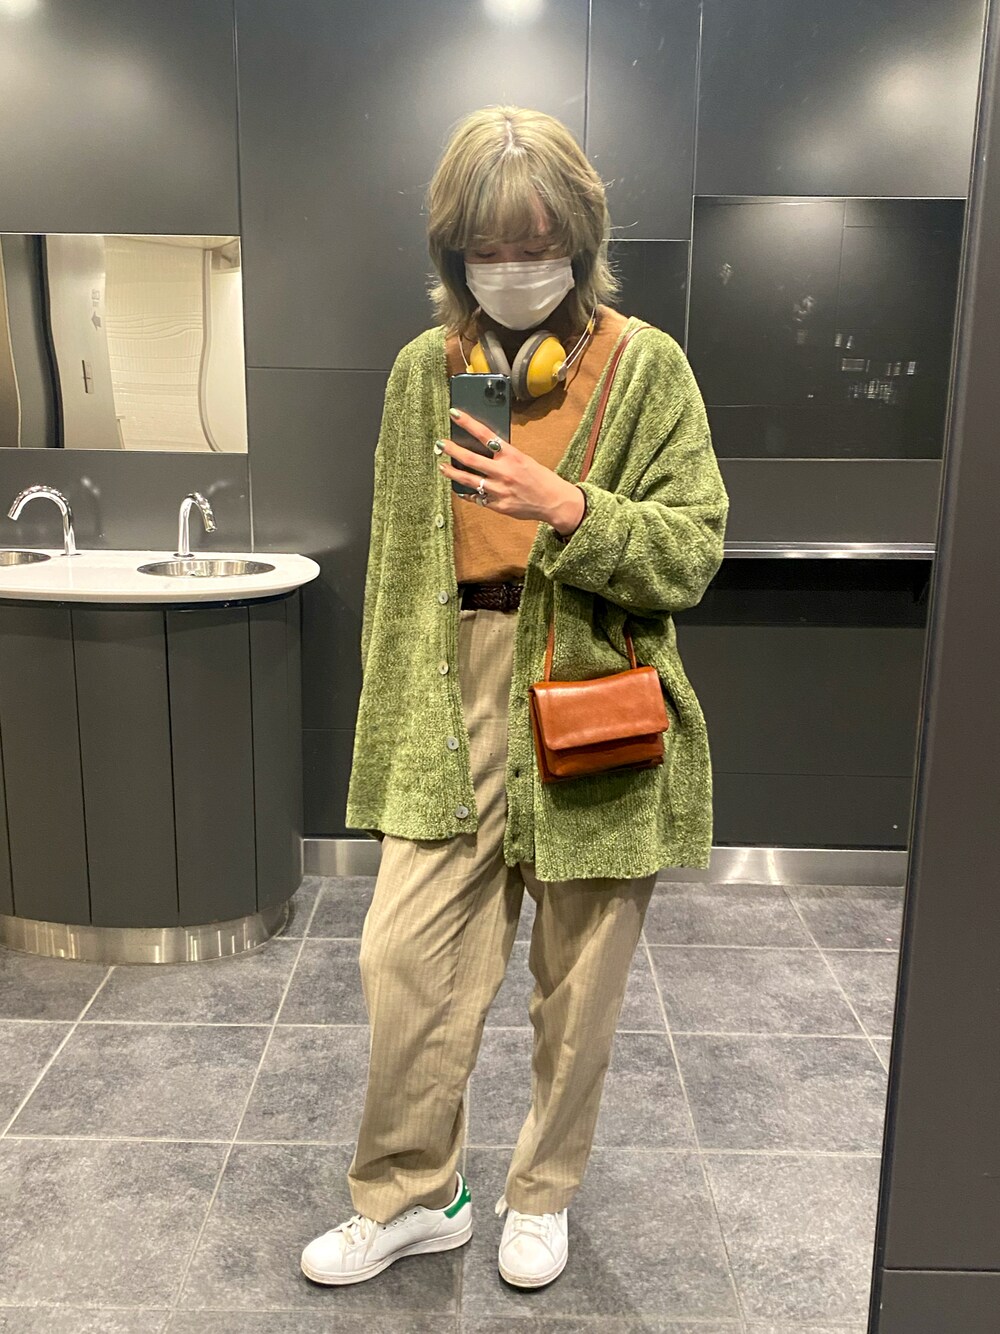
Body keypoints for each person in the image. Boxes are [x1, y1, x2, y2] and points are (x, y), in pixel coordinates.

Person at [300, 105, 729, 1291]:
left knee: (578, 985)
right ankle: (416, 1193)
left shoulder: (646, 369)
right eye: (488, 246)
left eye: (537, 243)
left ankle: (541, 1191)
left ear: (580, 241)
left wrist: (571, 507)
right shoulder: (421, 372)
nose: (514, 266)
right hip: (451, 692)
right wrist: (395, 723)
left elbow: (693, 550)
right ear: (454, 253)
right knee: (402, 962)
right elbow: (399, 564)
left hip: (592, 700)